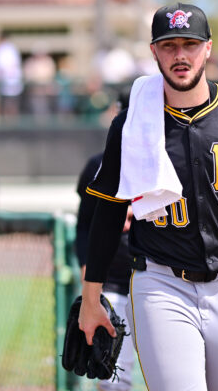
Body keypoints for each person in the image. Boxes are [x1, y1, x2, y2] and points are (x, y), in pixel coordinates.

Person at [78, 2, 218, 391]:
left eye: (190, 43)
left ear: (208, 48)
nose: (180, 55)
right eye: (168, 45)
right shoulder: (132, 123)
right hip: (162, 284)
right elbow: (108, 212)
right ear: (153, 51)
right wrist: (90, 296)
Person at [75, 89, 135, 391]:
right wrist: (87, 268)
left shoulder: (169, 162)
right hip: (110, 280)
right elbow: (84, 224)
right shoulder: (96, 165)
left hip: (157, 279)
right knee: (113, 374)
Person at [0, 31, 23, 118]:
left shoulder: (4, 49)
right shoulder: (11, 48)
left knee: (8, 108)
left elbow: (2, 66)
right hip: (8, 84)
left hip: (7, 84)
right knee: (9, 107)